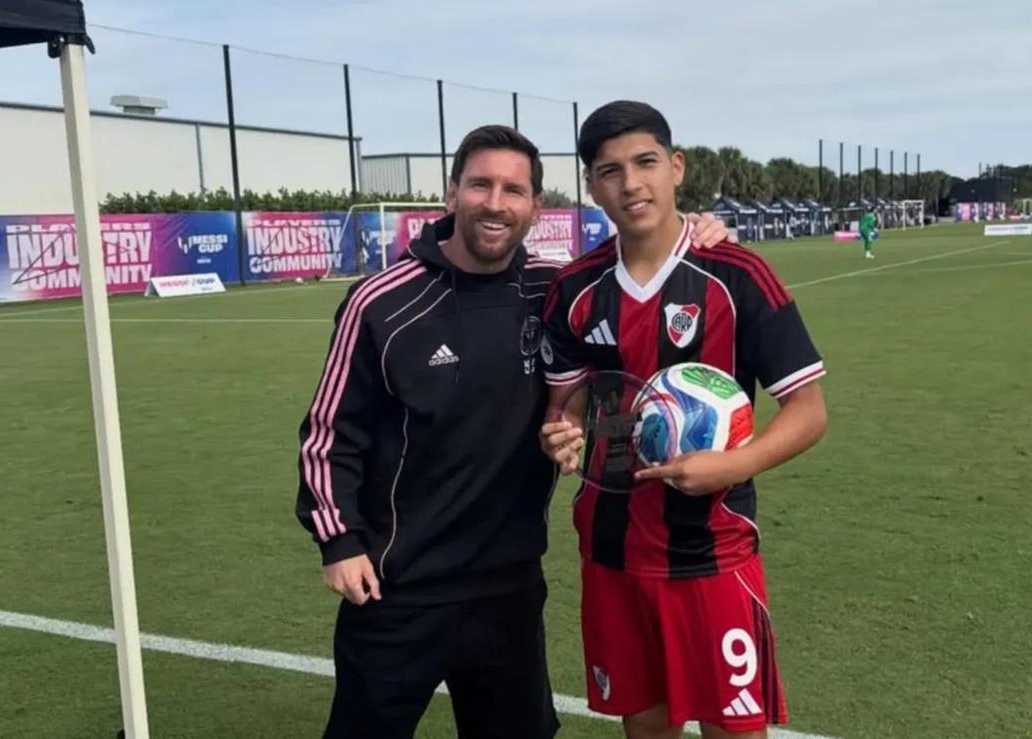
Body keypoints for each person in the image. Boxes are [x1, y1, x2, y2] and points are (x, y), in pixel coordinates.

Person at [295, 123, 731, 739]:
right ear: (451, 195)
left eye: (514, 190)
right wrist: (339, 542)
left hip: (509, 587)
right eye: (480, 185)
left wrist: (700, 232)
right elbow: (329, 433)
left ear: (536, 207)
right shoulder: (381, 303)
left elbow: (642, 274)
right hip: (398, 589)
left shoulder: (553, 290)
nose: (495, 203)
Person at [539, 101, 829, 739]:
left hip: (713, 551)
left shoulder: (738, 276)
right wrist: (563, 433)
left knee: (735, 730)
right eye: (610, 171)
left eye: (645, 163)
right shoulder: (575, 289)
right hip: (611, 550)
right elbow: (569, 409)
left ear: (676, 168)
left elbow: (808, 411)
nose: (631, 184)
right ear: (592, 185)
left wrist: (736, 463)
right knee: (645, 727)